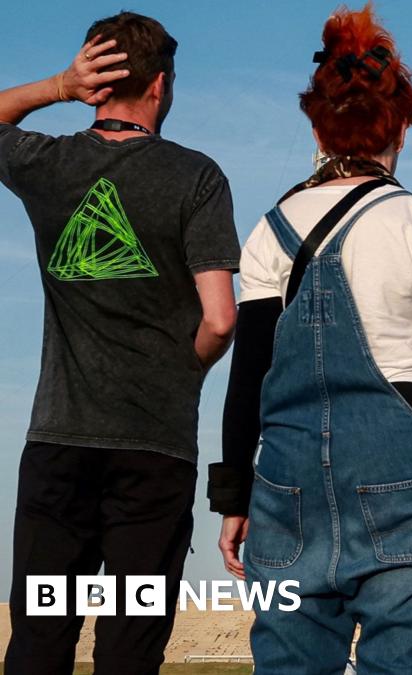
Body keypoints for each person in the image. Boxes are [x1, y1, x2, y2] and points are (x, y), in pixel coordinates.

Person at [206, 5, 412, 673]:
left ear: (317, 127)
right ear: (400, 125)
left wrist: (234, 499)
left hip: (286, 484)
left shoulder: (269, 231)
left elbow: (247, 376)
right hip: (406, 480)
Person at [0, 12, 240, 675]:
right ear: (160, 85)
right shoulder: (197, 177)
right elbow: (221, 318)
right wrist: (180, 371)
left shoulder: (47, 162)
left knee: (39, 639)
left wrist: (56, 87)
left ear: (96, 82)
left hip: (60, 442)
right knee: (131, 646)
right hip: (154, 451)